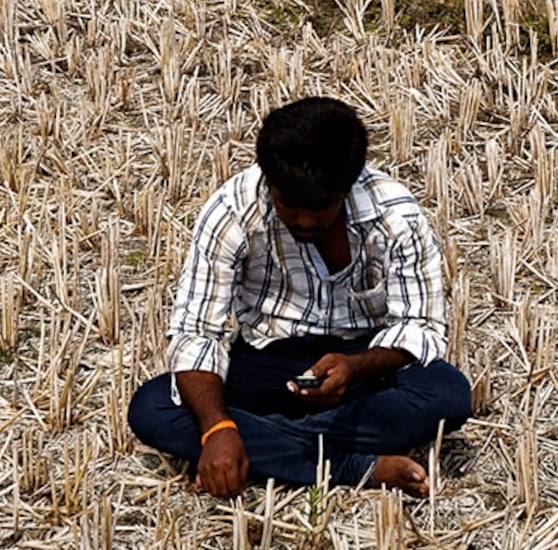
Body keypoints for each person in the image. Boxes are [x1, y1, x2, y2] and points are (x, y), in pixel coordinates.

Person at [127, 96, 471, 497]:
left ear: (348, 187)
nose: (305, 220)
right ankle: (354, 466)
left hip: (363, 368)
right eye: (289, 205)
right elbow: (197, 333)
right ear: (268, 182)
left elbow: (420, 327)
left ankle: (263, 446)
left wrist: (356, 368)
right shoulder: (232, 211)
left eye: (322, 207)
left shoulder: (395, 216)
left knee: (447, 394)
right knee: (154, 407)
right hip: (267, 361)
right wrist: (217, 428)